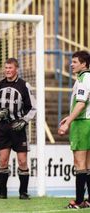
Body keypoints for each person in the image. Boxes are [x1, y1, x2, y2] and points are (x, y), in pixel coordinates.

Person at [0, 57, 36, 200]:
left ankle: (23, 193)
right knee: (2, 160)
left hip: (18, 127)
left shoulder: (24, 85)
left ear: (16, 69)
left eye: (10, 68)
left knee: (22, 161)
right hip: (3, 127)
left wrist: (24, 120)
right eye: (6, 68)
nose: (7, 70)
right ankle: (2, 193)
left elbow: (33, 107)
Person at [58, 50, 90, 209]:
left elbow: (81, 103)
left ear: (84, 64)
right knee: (88, 164)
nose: (71, 64)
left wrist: (68, 122)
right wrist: (69, 116)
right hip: (87, 121)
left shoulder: (84, 79)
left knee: (80, 163)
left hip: (82, 123)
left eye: (75, 62)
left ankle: (78, 201)